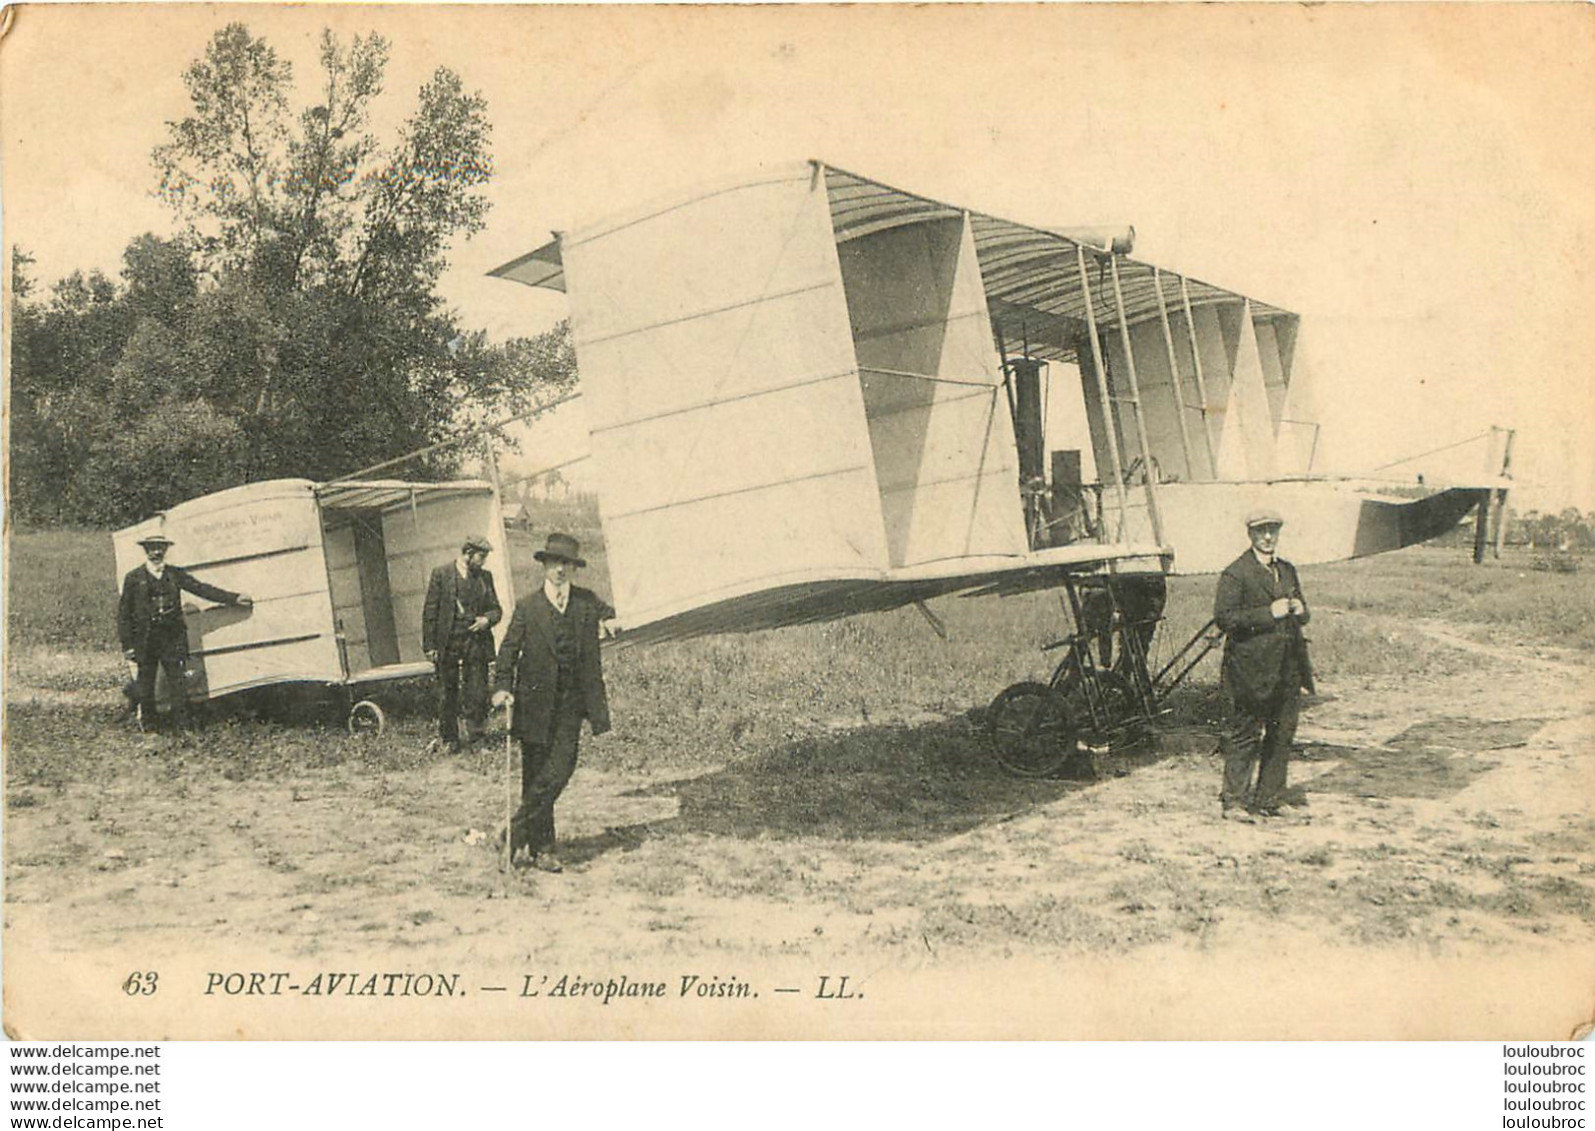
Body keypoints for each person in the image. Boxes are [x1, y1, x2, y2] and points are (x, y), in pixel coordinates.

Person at [491, 532, 613, 873]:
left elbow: (609, 612)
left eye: (567, 565)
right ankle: (542, 849)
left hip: (570, 706)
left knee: (561, 768)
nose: (560, 570)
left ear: (574, 569)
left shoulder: (586, 603)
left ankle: (512, 833)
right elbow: (508, 651)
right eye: (555, 563)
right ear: (544, 565)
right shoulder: (528, 608)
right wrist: (502, 687)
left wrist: (610, 619)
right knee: (535, 777)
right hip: (533, 705)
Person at [1213, 507, 1312, 821]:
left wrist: (1299, 608)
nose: (1268, 537)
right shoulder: (1236, 573)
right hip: (1250, 669)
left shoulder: (1287, 570)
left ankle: (1270, 798)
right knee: (1245, 734)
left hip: (1287, 668)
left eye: (1272, 530)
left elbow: (1304, 615)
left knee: (1282, 734)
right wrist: (1270, 613)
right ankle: (1234, 802)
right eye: (1261, 531)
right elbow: (1225, 618)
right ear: (1250, 535)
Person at [118, 533, 252, 732]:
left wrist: (233, 598)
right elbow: (123, 614)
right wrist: (127, 645)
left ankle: (182, 726)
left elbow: (201, 589)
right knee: (146, 684)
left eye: (160, 548)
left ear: (165, 550)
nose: (156, 552)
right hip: (145, 640)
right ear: (145, 550)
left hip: (171, 638)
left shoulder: (175, 574)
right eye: (151, 548)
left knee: (178, 683)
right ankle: (150, 726)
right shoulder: (134, 578)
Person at [422, 535, 503, 751]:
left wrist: (487, 620)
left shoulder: (485, 577)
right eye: (481, 556)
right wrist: (429, 646)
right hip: (448, 643)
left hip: (476, 643)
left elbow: (496, 609)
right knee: (447, 692)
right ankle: (450, 740)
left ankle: (477, 739)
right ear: (468, 554)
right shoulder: (441, 574)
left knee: (477, 691)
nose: (483, 561)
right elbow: (430, 612)